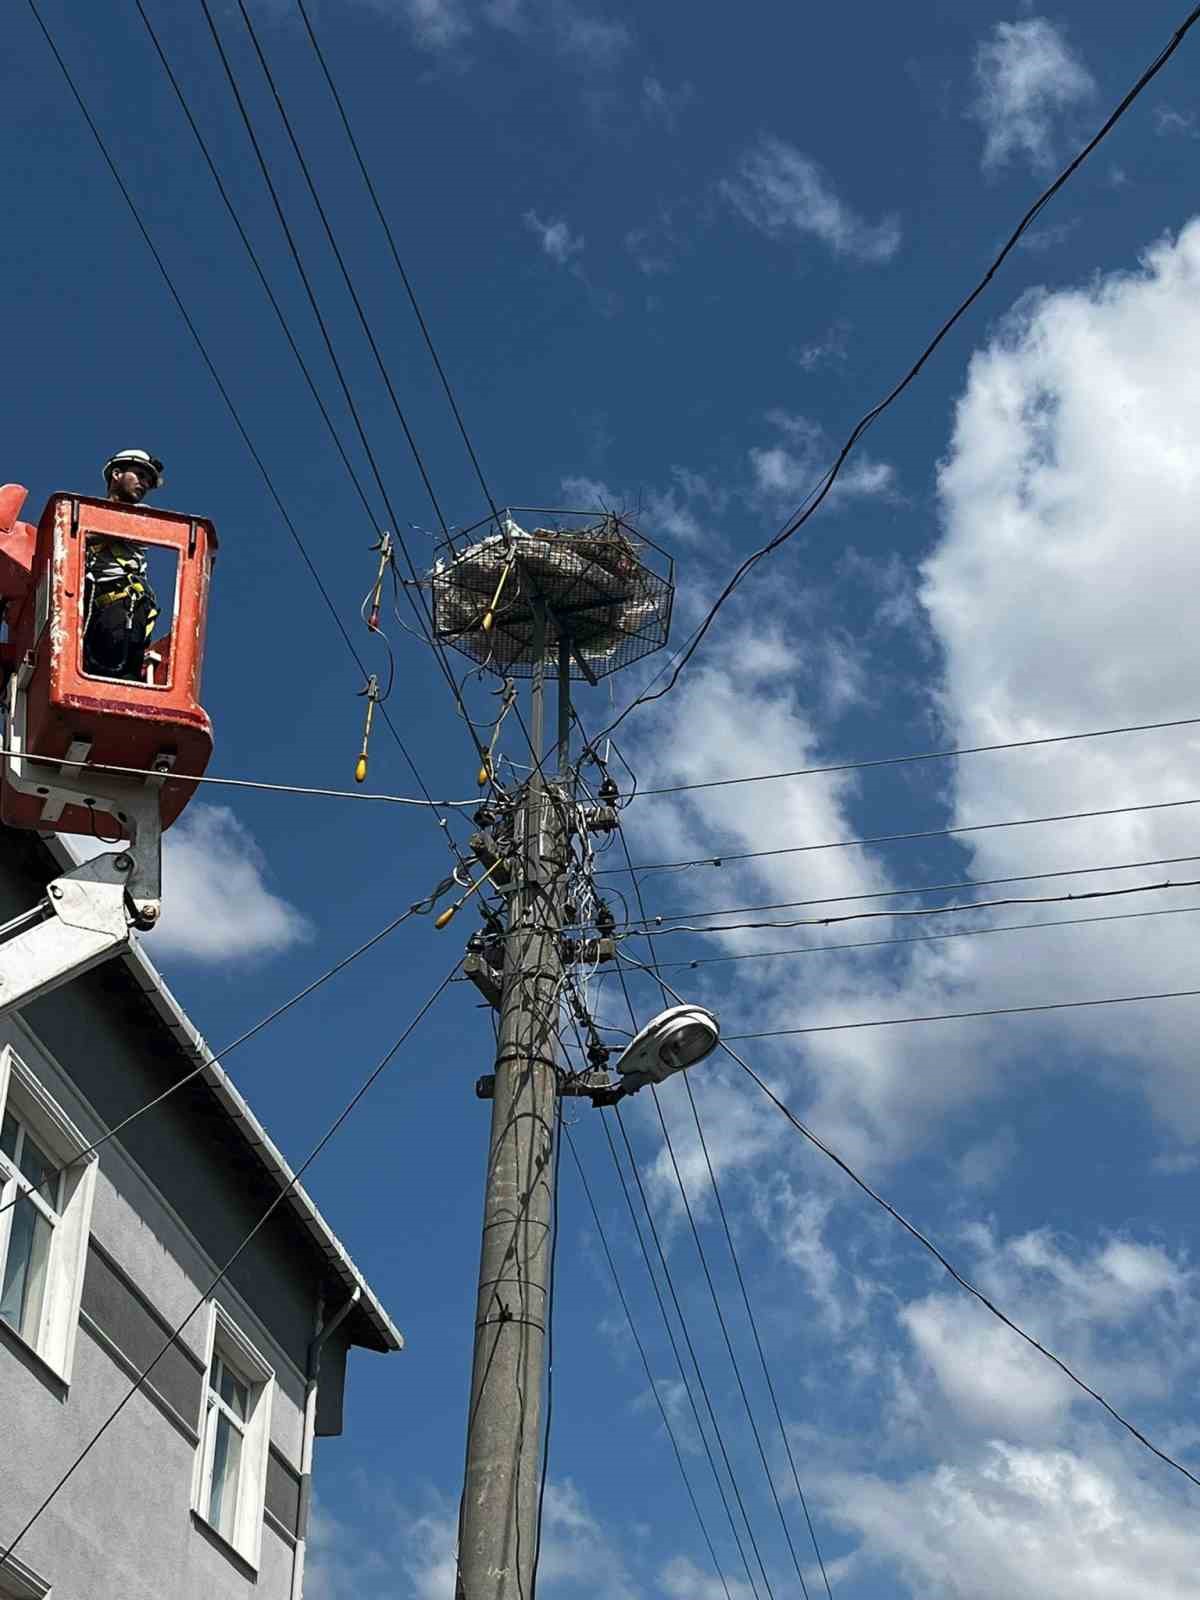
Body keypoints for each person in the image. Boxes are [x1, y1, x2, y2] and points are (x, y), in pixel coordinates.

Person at [82, 450, 165, 680]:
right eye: (139, 475)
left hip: (124, 608)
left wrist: (76, 533)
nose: (144, 484)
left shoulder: (141, 515)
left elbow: (103, 532)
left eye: (148, 481)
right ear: (117, 474)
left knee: (117, 674)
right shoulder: (90, 514)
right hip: (96, 611)